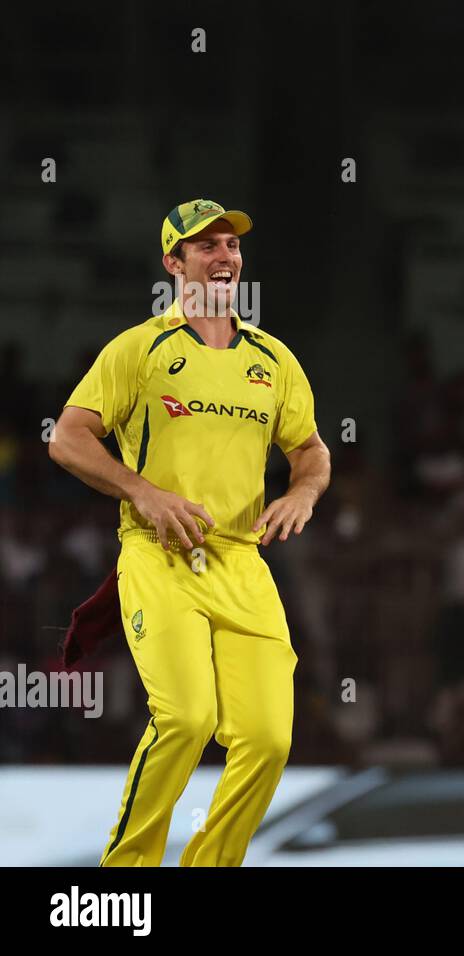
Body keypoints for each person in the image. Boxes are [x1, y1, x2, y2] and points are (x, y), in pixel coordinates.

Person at [51, 199, 330, 866]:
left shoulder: (272, 358)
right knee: (187, 719)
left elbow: (313, 450)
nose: (225, 256)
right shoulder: (139, 349)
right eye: (207, 246)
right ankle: (125, 876)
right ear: (174, 263)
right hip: (160, 557)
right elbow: (67, 438)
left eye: (232, 245)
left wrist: (303, 492)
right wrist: (141, 491)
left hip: (240, 561)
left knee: (267, 739)